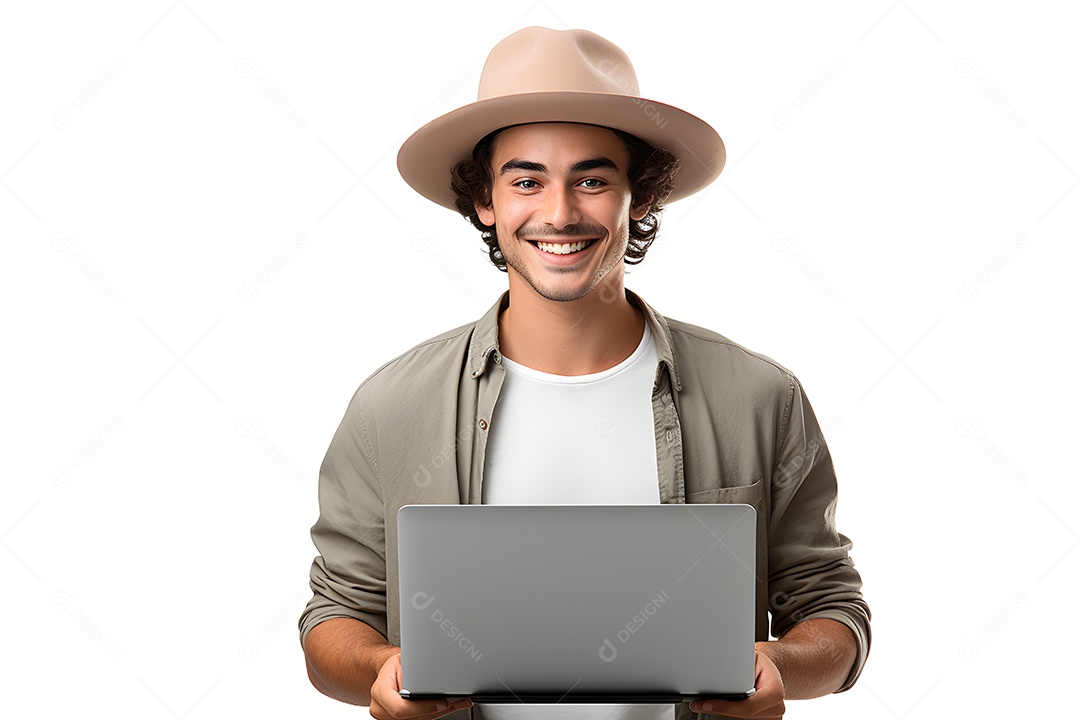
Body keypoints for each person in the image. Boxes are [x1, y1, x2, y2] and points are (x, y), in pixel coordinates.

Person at [299, 26, 870, 720]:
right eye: (526, 180)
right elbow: (335, 617)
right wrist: (379, 671)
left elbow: (832, 609)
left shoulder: (758, 397)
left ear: (643, 195)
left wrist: (777, 664)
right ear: (486, 200)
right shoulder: (390, 405)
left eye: (593, 180)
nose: (560, 212)